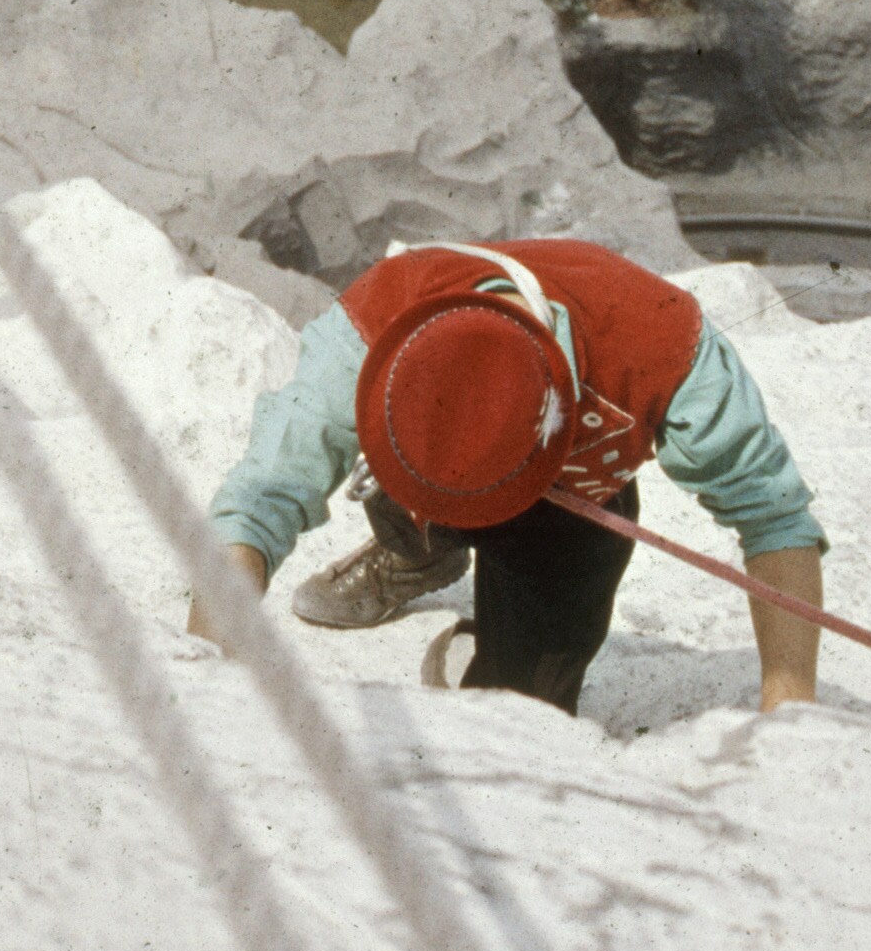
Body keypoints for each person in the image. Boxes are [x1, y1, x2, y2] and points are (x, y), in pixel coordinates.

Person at [193, 237, 827, 716]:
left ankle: (496, 599)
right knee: (408, 480)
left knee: (522, 715)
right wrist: (198, 680)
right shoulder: (368, 331)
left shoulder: (667, 347)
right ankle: (418, 549)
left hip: (566, 508)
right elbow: (257, 502)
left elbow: (773, 517)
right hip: (418, 476)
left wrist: (789, 714)